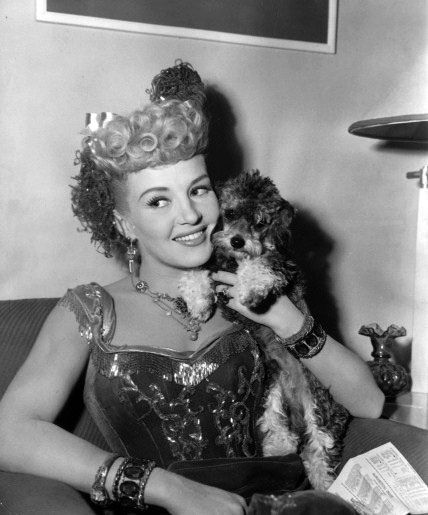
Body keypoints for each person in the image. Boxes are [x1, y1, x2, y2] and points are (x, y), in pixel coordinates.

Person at [0, 62, 420, 515]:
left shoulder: (251, 289)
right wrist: (168, 488)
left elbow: (369, 401)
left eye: (198, 190)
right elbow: (12, 430)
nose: (191, 215)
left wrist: (286, 317)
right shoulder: (91, 309)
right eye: (158, 200)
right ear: (123, 221)